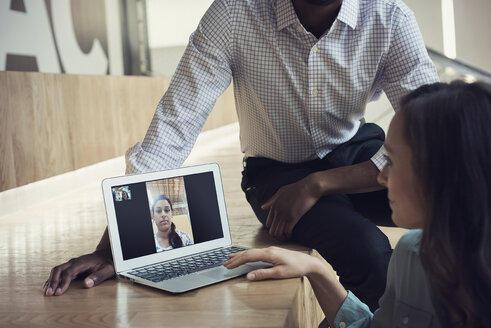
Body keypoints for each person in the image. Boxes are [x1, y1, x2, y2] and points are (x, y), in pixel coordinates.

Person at [44, 0, 439, 307]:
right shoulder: (235, 13)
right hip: (276, 173)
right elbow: (173, 127)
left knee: (450, 202)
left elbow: (432, 133)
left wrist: (320, 183)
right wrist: (116, 245)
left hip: (356, 155)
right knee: (368, 252)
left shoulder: (389, 17)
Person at [225, 81, 491, 328]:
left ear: (443, 172)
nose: (382, 177)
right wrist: (316, 271)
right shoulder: (410, 254)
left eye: (393, 161)